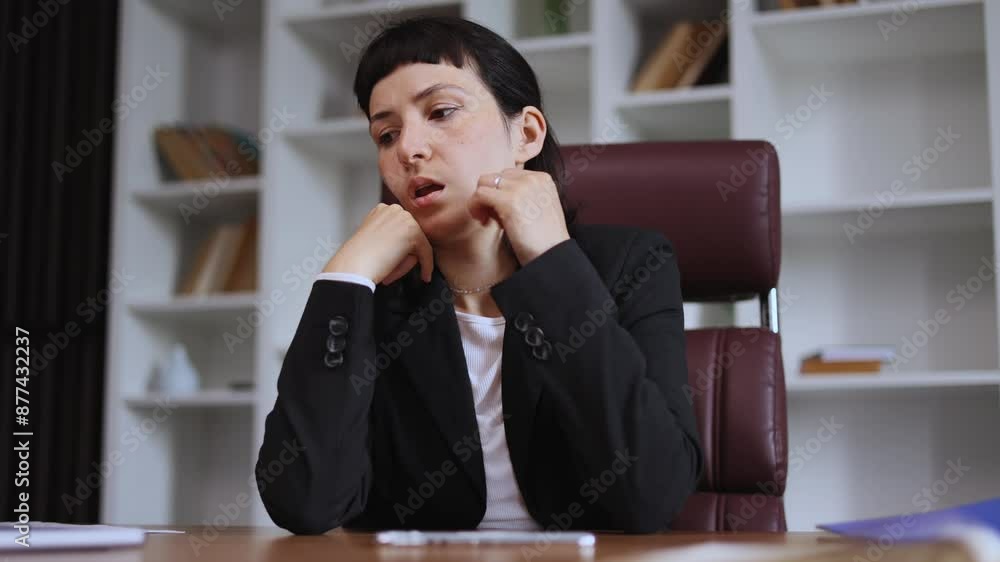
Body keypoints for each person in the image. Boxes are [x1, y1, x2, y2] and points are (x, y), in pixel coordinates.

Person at [255, 14, 702, 535]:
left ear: (526, 134)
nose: (408, 150)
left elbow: (651, 494)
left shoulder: (628, 264)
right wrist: (344, 280)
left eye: (441, 112)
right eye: (386, 134)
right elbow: (305, 504)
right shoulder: (374, 296)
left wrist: (551, 260)